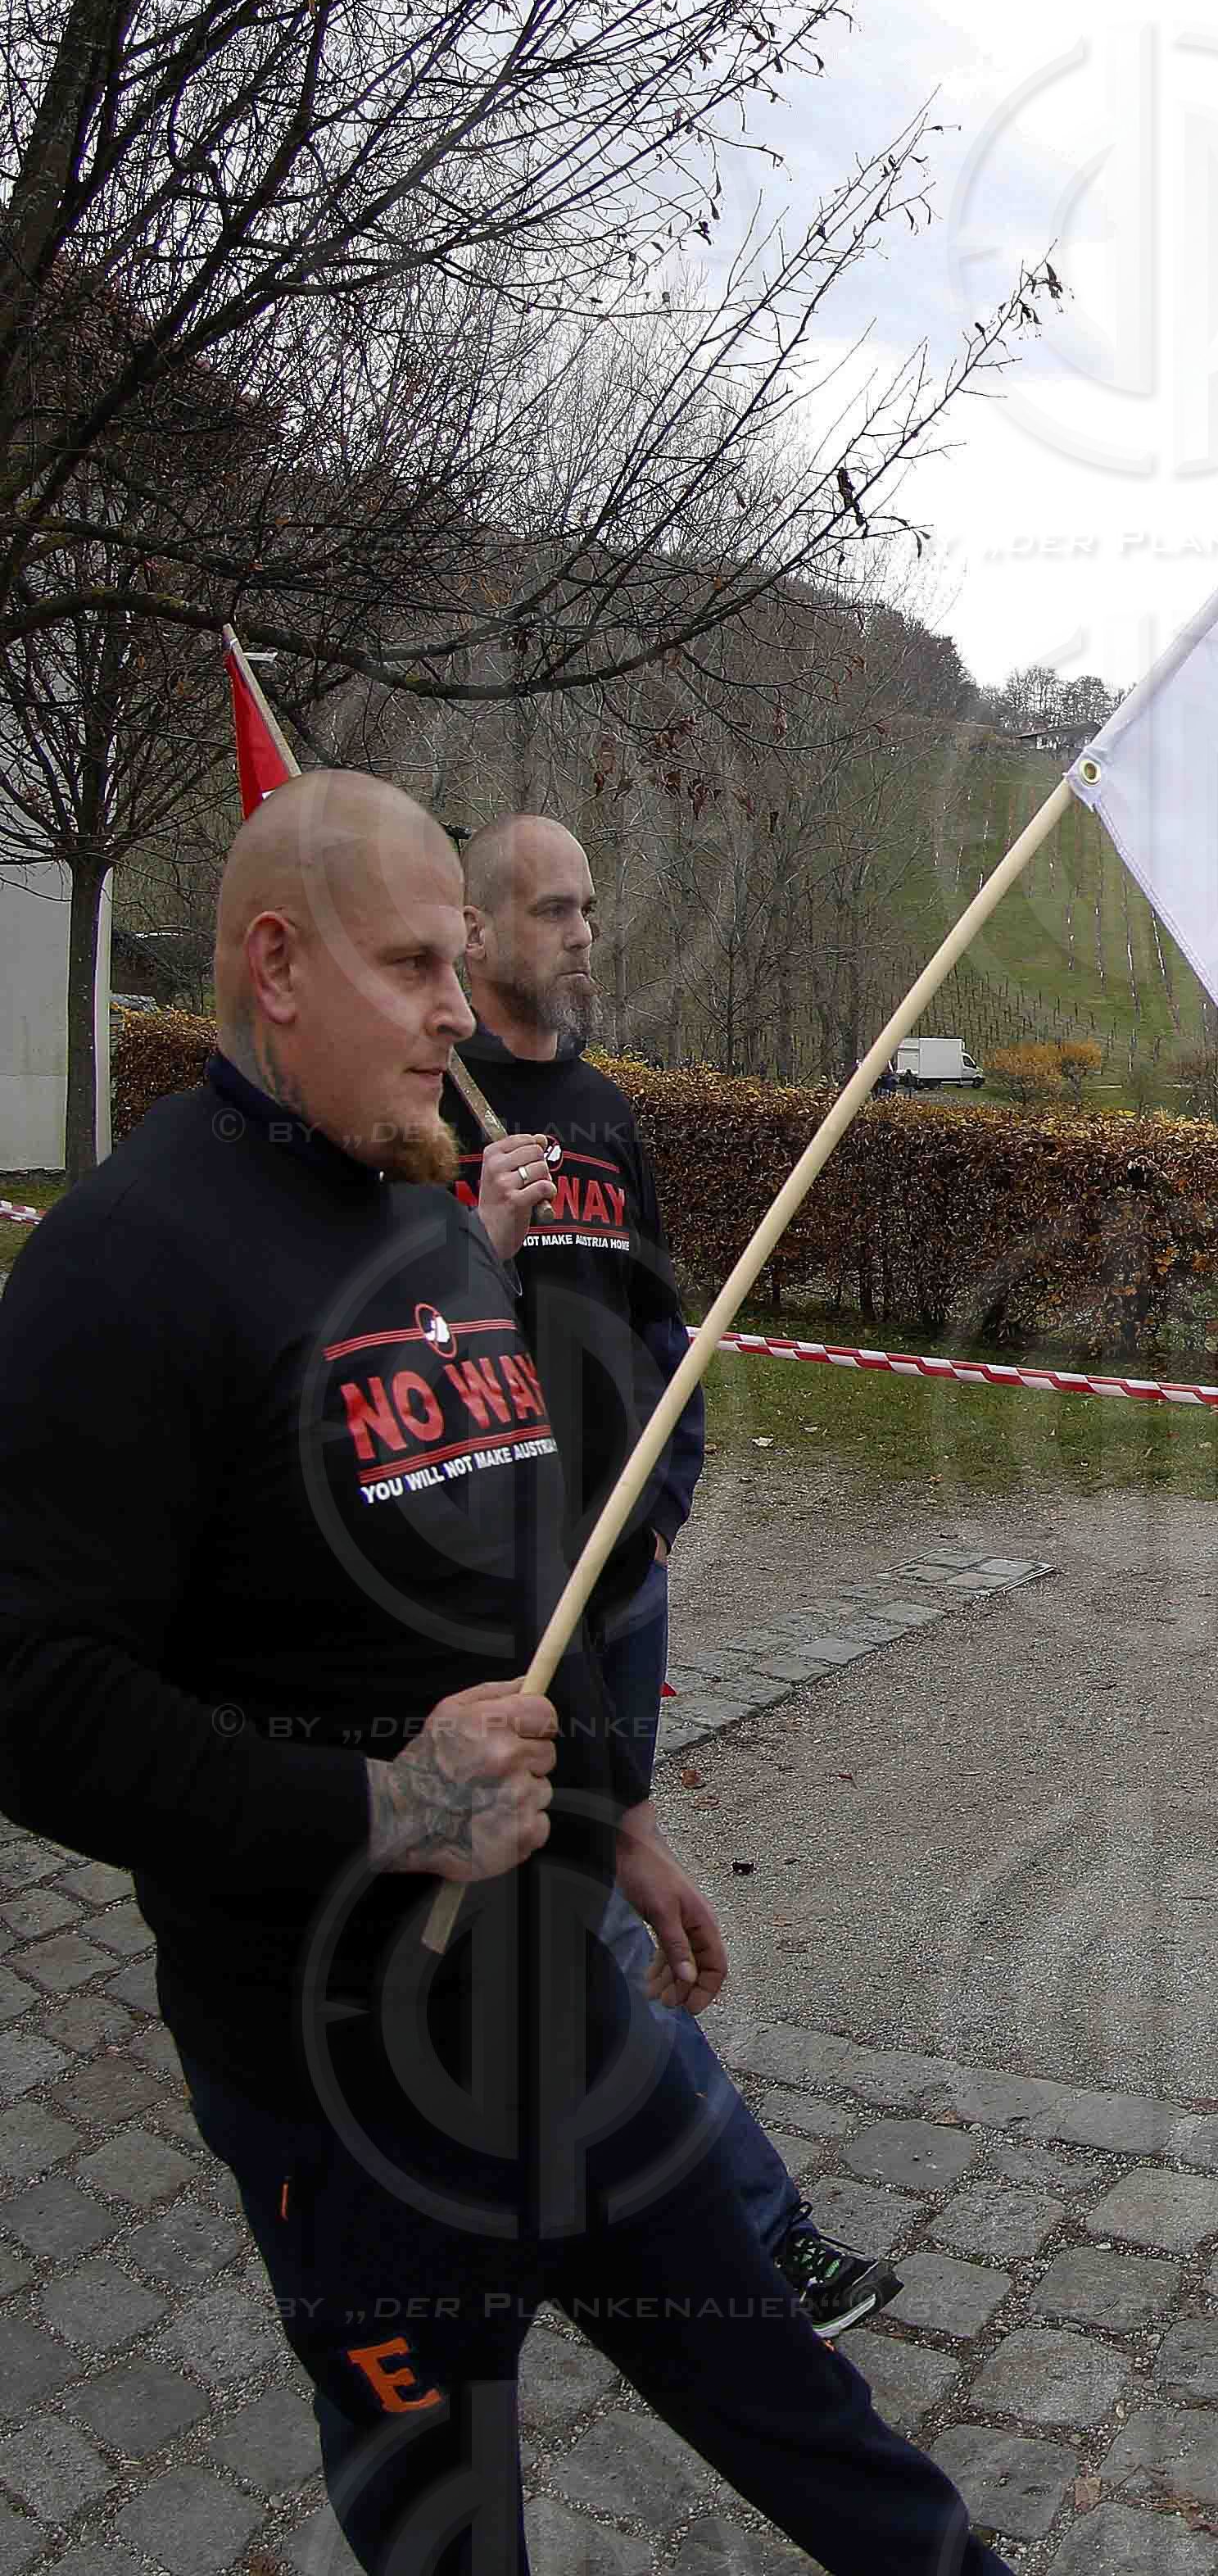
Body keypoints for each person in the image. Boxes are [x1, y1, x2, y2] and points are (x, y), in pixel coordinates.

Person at [0, 773, 1007, 2574]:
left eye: (466, 963)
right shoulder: (124, 1266)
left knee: (818, 2426)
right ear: (278, 964)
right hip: (346, 2095)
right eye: (416, 966)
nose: (465, 1013)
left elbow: (501, 1568)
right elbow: (34, 1699)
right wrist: (381, 1802)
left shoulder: (424, 1206)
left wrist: (605, 1818)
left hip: (569, 2019)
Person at [458, 814, 899, 2333]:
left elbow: (662, 1318)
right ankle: (760, 2233)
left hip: (618, 1570)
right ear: (473, 934)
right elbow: (372, 1339)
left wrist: (673, 1483)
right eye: (553, 910)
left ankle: (518, 2145)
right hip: (498, 1587)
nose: (584, 934)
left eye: (590, 907)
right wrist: (470, 1239)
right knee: (592, 1892)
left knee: (575, 1883)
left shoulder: (598, 1106)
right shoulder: (421, 1114)